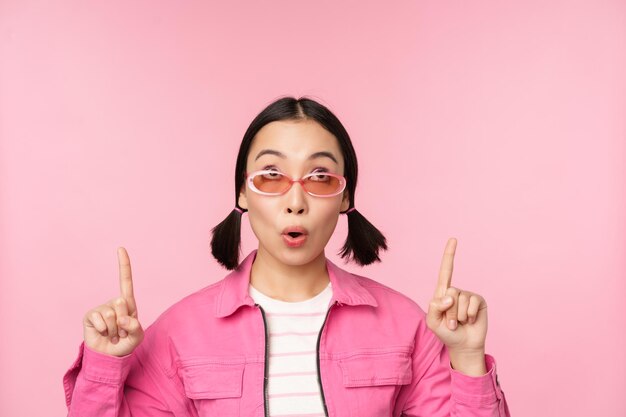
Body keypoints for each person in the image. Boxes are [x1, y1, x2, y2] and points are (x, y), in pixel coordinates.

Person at [63, 96, 511, 416]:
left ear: (345, 196)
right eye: (271, 175)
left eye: (319, 176)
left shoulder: (406, 324)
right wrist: (104, 366)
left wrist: (469, 360)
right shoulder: (179, 333)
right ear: (242, 191)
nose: (295, 201)